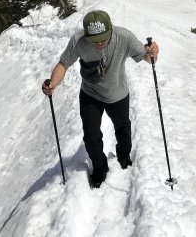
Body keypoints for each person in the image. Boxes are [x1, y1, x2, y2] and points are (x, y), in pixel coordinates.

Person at [42, 10, 159, 188]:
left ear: (111, 29)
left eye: (104, 38)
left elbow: (147, 58)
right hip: (90, 94)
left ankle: (123, 155)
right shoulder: (78, 41)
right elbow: (63, 63)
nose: (100, 43)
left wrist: (152, 53)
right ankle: (99, 167)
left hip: (118, 93)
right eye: (95, 40)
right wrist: (53, 84)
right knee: (91, 135)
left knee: (123, 127)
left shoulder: (124, 37)